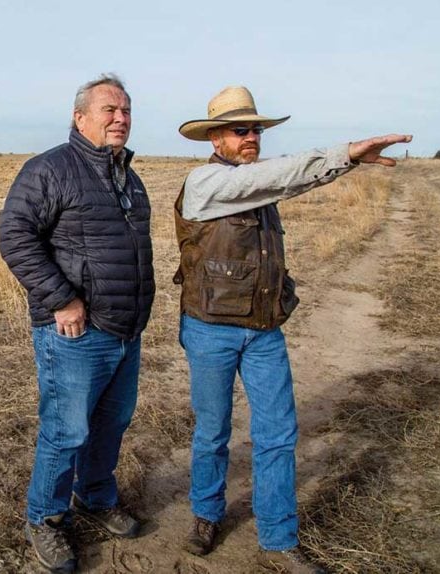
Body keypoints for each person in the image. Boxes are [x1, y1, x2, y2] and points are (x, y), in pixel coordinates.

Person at [173, 86, 410, 574]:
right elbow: (280, 177)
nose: (252, 137)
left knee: (279, 433)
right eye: (242, 129)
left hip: (263, 329)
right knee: (212, 431)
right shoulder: (203, 183)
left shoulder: (259, 188)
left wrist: (346, 164)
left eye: (257, 129)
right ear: (214, 138)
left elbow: (283, 183)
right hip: (211, 329)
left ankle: (279, 539)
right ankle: (205, 515)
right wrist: (345, 152)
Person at [0, 74, 155, 573]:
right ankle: (44, 518)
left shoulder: (129, 178)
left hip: (125, 331)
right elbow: (15, 237)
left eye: (126, 110)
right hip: (75, 333)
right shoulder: (51, 169)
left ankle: (94, 495)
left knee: (111, 424)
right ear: (79, 116)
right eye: (110, 109)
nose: (121, 119)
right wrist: (62, 300)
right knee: (66, 431)